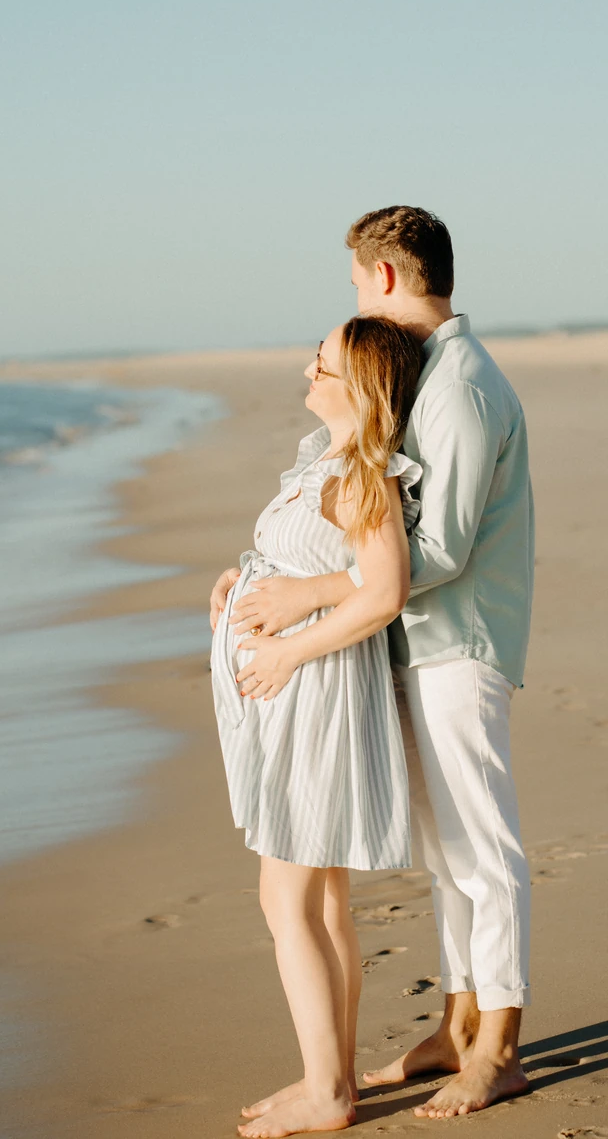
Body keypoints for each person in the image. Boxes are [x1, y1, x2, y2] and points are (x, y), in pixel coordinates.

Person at [215, 205, 534, 1120]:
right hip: (412, 644)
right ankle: (457, 1023)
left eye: (356, 285)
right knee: (446, 855)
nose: (353, 303)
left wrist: (310, 595)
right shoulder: (432, 376)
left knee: (483, 850)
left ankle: (500, 1050)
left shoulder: (462, 387)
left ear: (386, 277)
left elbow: (443, 549)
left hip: (457, 642)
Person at [210, 314, 424, 1138]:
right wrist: (243, 580)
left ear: (358, 384)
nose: (308, 368)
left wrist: (291, 652)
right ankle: (331, 1074)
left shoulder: (362, 471)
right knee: (324, 897)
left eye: (322, 361)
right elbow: (314, 566)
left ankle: (327, 1091)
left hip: (314, 695)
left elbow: (381, 590)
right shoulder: (325, 463)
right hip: (293, 692)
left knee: (287, 899)